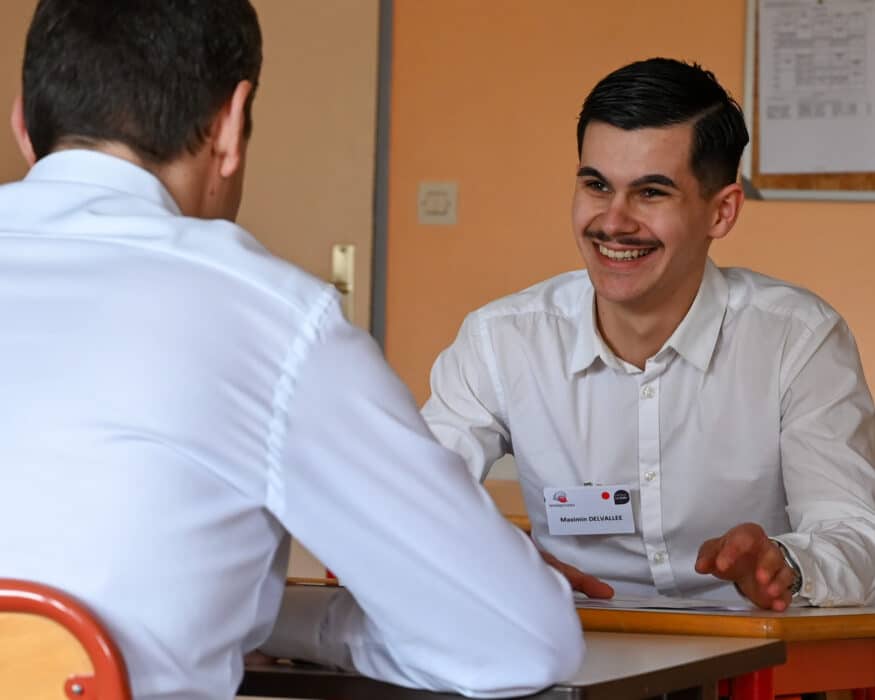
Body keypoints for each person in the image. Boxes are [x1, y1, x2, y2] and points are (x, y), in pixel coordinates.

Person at [0, 2, 584, 698]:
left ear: (22, 125)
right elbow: (519, 642)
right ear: (229, 125)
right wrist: (295, 621)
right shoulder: (264, 314)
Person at [423, 57, 875, 612]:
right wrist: (486, 551)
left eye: (651, 192)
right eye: (596, 185)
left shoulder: (797, 339)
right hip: (577, 655)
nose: (613, 222)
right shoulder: (502, 340)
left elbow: (854, 534)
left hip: (752, 661)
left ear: (722, 212)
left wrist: (789, 564)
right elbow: (409, 498)